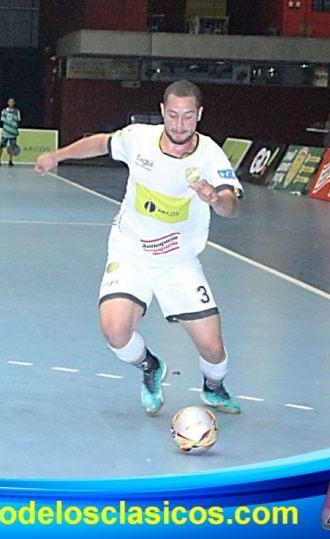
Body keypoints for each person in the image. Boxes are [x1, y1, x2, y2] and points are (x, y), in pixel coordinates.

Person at [34, 80, 243, 417]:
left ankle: (214, 388)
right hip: (131, 249)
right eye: (173, 115)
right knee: (115, 331)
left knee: (213, 348)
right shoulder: (139, 138)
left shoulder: (210, 155)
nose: (179, 125)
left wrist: (216, 199)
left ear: (199, 115)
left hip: (178, 260)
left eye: (188, 117)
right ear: (162, 112)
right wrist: (58, 155)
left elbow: (233, 206)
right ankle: (150, 367)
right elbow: (101, 143)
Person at [0, 97, 21, 166]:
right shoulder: (4, 111)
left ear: (14, 103)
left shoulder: (17, 112)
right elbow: (3, 120)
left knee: (12, 147)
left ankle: (10, 161)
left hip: (13, 133)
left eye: (12, 102)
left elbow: (18, 120)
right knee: (1, 146)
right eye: (10, 102)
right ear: (8, 103)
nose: (11, 103)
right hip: (5, 132)